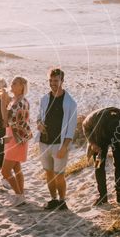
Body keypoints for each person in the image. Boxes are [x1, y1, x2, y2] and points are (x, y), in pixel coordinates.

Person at [37, 68, 77, 210]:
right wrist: (39, 124)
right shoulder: (44, 99)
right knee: (48, 173)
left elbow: (71, 129)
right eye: (51, 80)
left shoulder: (70, 103)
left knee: (59, 175)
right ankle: (53, 199)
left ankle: (62, 201)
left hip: (60, 144)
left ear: (62, 81)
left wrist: (64, 147)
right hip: (43, 143)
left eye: (56, 81)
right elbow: (39, 118)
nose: (53, 83)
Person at [82, 107, 120, 206]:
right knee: (98, 166)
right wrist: (92, 143)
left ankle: (119, 193)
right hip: (100, 139)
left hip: (118, 142)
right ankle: (102, 196)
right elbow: (85, 126)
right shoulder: (95, 118)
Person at [1, 76, 32, 206]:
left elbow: (6, 121)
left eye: (15, 83)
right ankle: (21, 195)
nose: (12, 85)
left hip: (15, 138)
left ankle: (19, 195)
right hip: (18, 137)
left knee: (5, 171)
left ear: (22, 87)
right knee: (17, 168)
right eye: (12, 83)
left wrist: (3, 102)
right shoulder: (19, 100)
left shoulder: (19, 102)